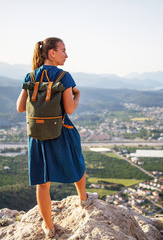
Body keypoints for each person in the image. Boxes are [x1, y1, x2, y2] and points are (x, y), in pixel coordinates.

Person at [16, 37, 98, 238]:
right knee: (77, 163)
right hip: (61, 130)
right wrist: (77, 96)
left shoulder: (31, 75)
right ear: (52, 53)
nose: (66, 54)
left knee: (42, 183)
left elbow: (19, 108)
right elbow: (69, 108)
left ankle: (49, 227)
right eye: (63, 50)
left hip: (37, 135)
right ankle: (83, 198)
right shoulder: (64, 76)